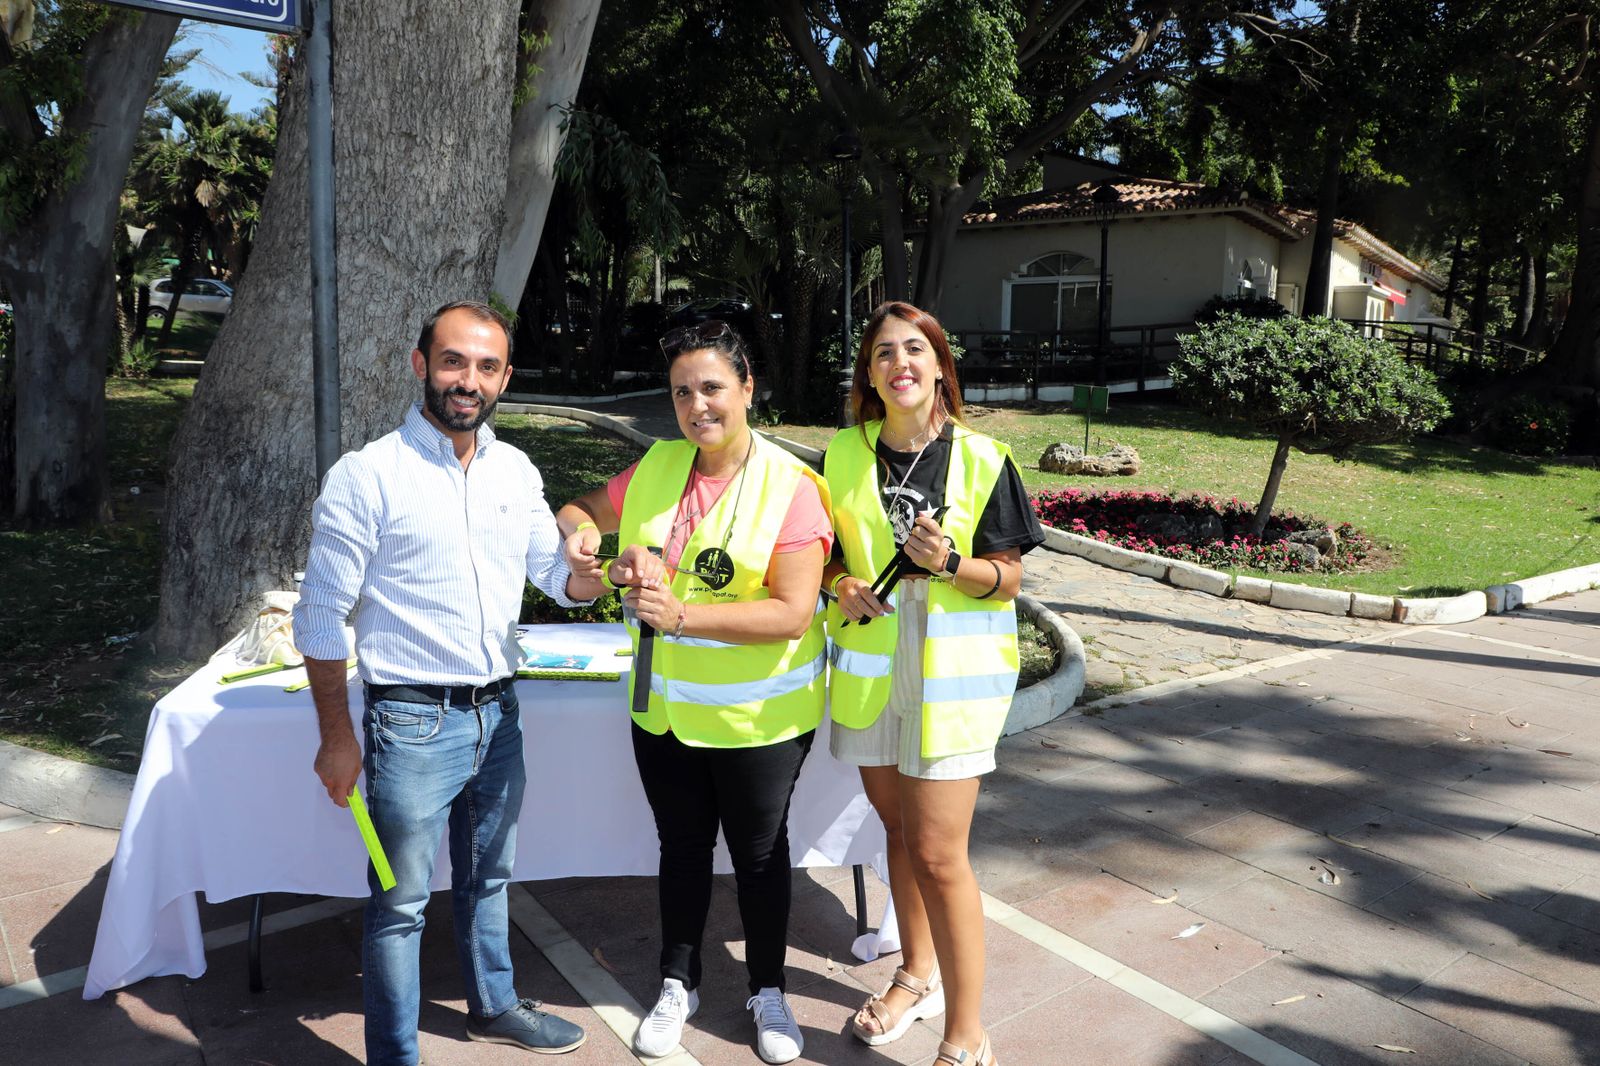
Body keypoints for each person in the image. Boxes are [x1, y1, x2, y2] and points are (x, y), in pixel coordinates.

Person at [294, 300, 604, 1066]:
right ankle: (394, 1056)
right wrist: (337, 736)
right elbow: (319, 618)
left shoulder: (514, 468)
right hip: (410, 724)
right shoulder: (366, 477)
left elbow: (556, 581)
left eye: (487, 366)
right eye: (454, 361)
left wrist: (588, 570)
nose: (469, 380)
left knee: (490, 877)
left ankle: (493, 1008)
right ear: (420, 364)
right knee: (400, 907)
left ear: (505, 378)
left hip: (499, 715)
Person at [556, 320, 833, 1064]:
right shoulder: (658, 465)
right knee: (680, 852)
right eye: (682, 392)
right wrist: (590, 545)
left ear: (747, 388)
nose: (697, 405)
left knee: (760, 859)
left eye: (712, 387)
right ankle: (677, 982)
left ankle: (769, 989)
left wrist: (683, 616)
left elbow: (793, 611)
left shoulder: (792, 488)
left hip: (757, 719)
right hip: (664, 711)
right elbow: (582, 512)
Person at [823, 301, 1044, 1066]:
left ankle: (968, 1033)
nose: (900, 364)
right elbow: (822, 557)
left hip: (952, 679)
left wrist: (949, 563)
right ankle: (915, 976)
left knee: (942, 854)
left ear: (941, 367)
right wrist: (842, 584)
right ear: (869, 375)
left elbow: (1008, 579)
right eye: (884, 353)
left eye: (914, 350)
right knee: (896, 832)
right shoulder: (842, 456)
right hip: (873, 671)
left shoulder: (984, 459)